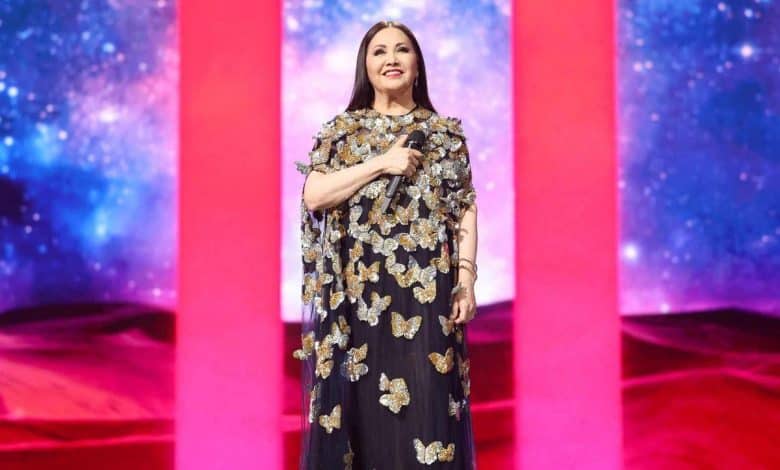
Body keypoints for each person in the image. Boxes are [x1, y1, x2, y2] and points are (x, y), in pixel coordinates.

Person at [293, 19, 479, 469]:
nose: (391, 59)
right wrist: (382, 163)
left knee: (428, 411)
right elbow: (314, 194)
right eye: (379, 51)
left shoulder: (444, 135)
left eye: (402, 50)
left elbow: (465, 209)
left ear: (417, 65)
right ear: (366, 67)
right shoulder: (341, 131)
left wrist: (467, 279)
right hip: (357, 299)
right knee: (361, 413)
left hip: (428, 296)